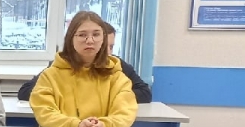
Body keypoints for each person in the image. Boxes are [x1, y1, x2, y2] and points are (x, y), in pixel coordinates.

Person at [29, 11, 137, 127]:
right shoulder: (50, 76)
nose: (90, 41)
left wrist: (104, 126)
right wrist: (76, 126)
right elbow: (44, 112)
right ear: (71, 38)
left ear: (103, 39)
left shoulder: (117, 77)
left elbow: (125, 113)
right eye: (82, 35)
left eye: (96, 34)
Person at [16, 19, 152, 103]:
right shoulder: (62, 64)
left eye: (111, 47)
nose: (108, 52)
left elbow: (145, 93)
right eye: (104, 46)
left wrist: (110, 97)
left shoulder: (118, 65)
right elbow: (25, 92)